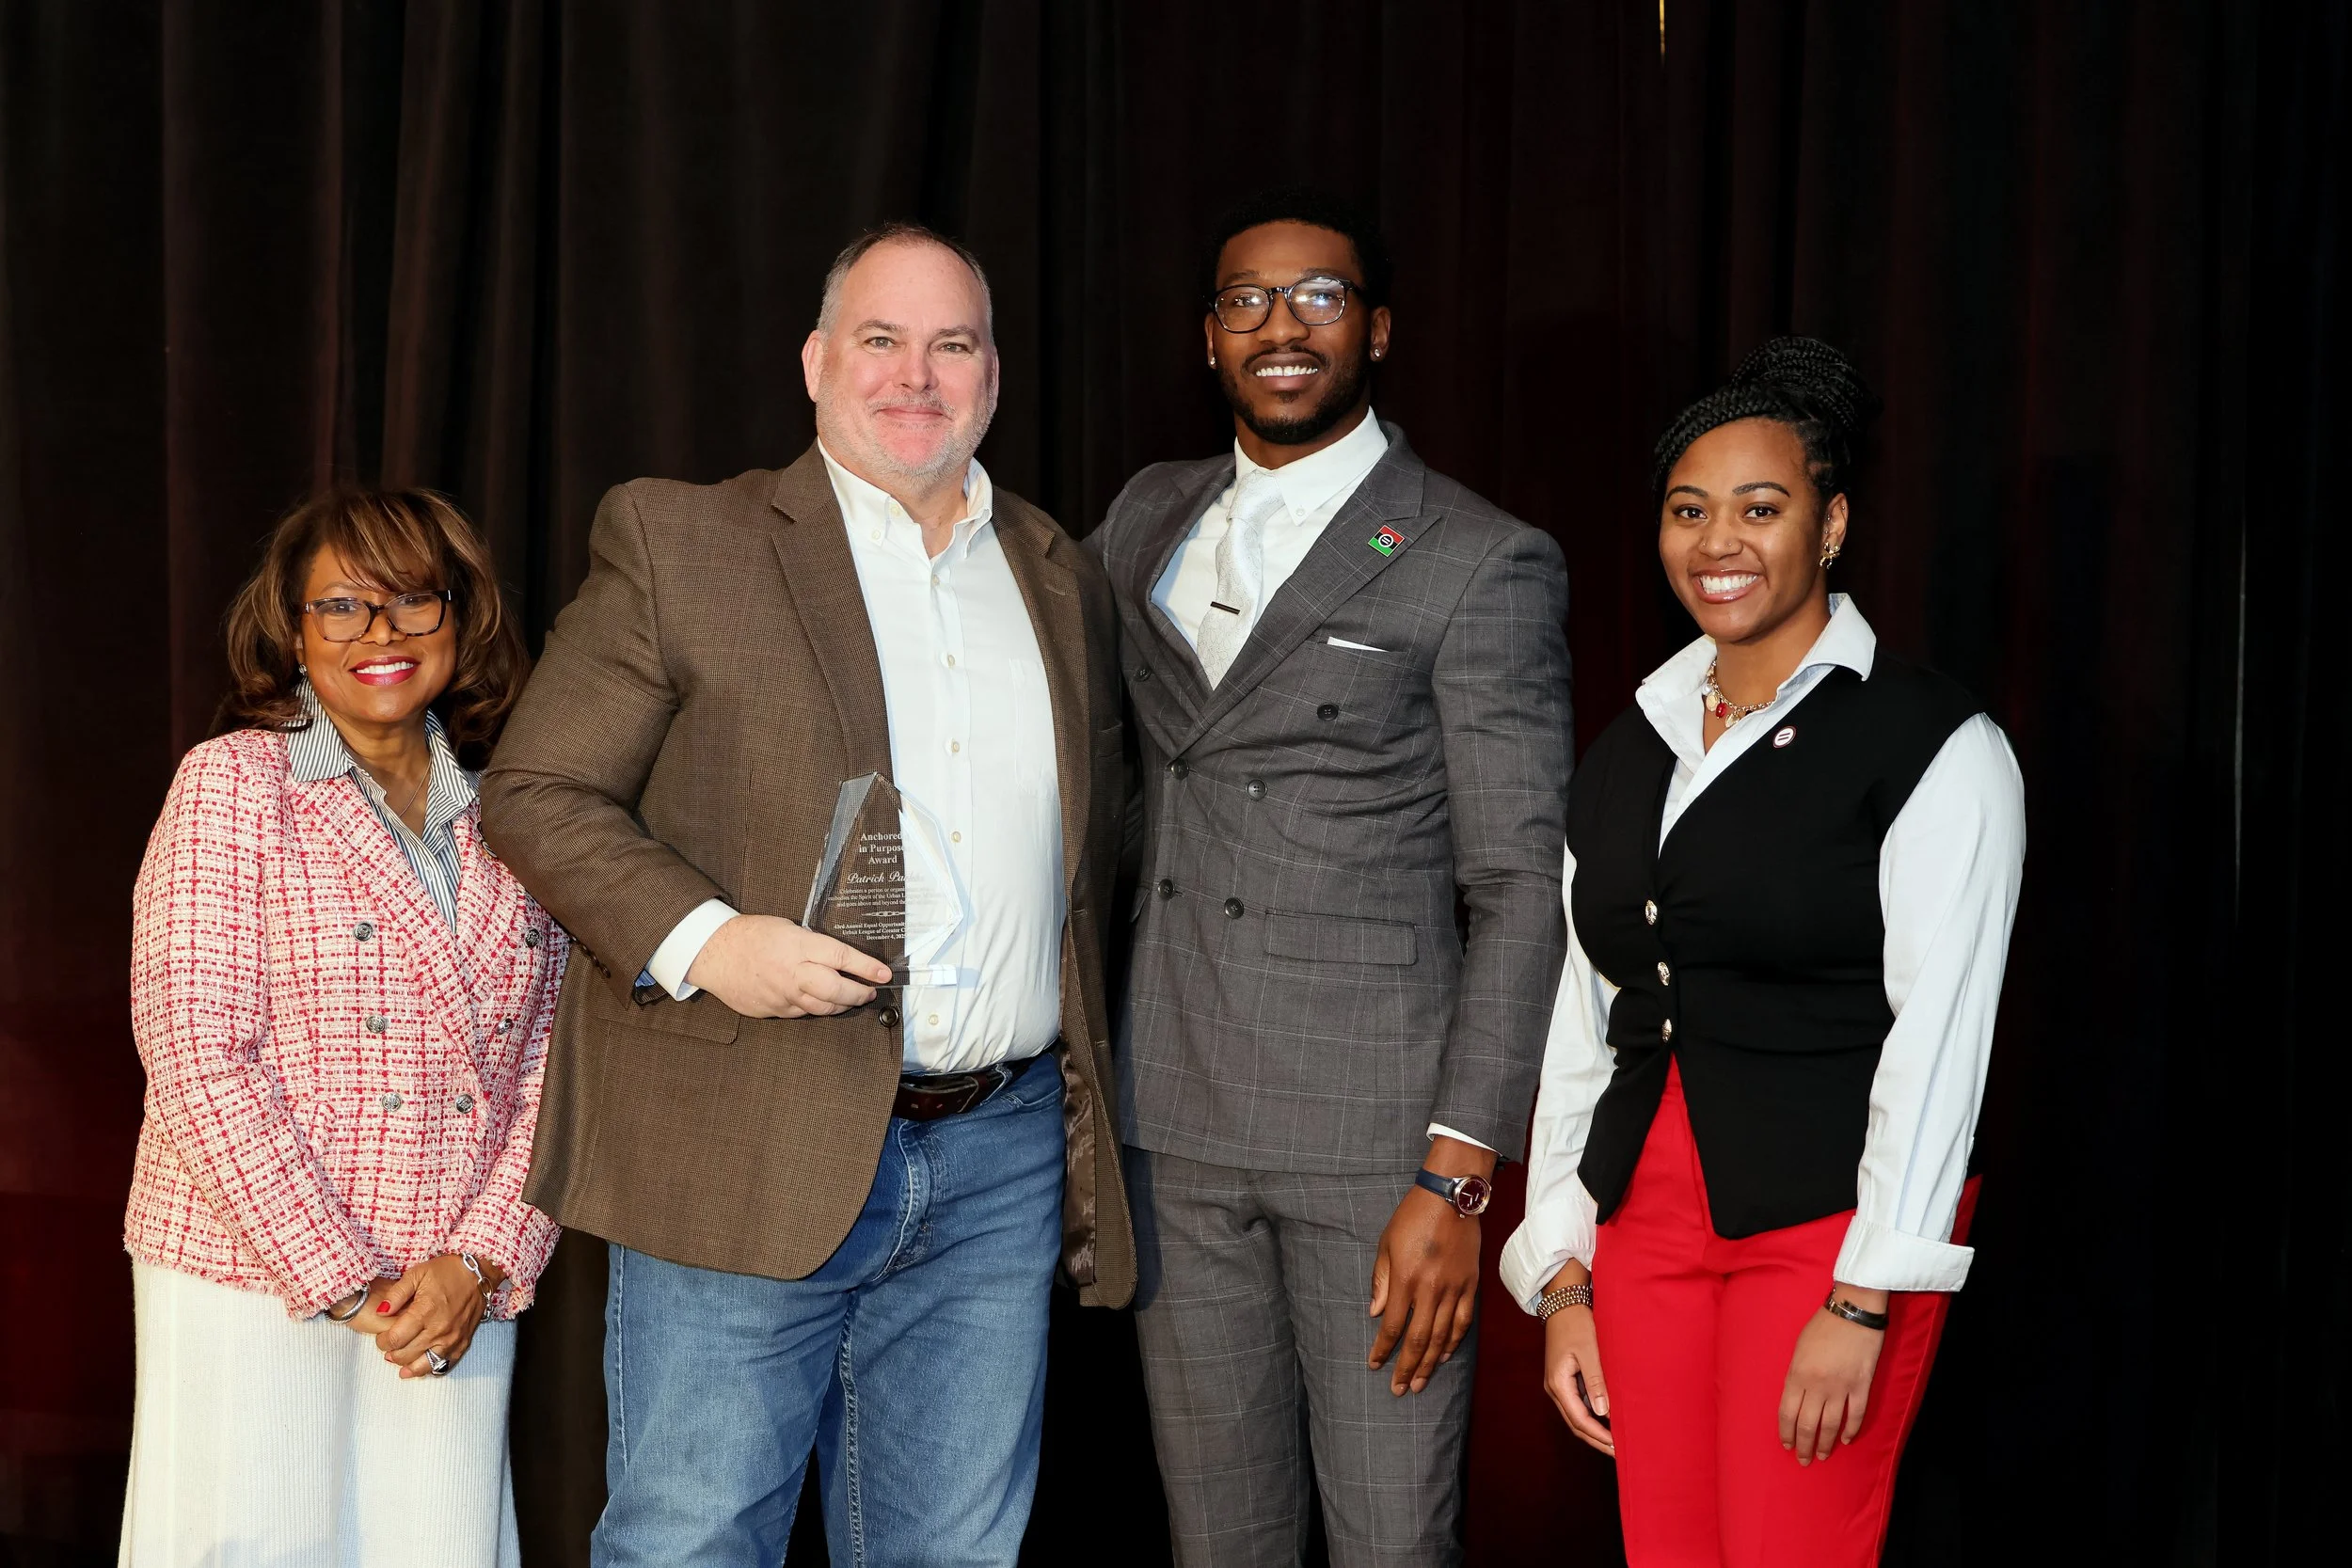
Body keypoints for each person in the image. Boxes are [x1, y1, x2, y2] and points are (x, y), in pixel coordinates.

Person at [478, 222, 1132, 1566]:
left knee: (952, 1552)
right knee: (692, 1538)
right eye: (881, 339)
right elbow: (537, 790)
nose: (916, 375)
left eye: (952, 344)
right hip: (748, 1129)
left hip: (997, 1153)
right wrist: (709, 940)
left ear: (993, 375)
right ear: (817, 361)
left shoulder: (1059, 572)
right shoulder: (685, 539)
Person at [1085, 187, 1574, 1565]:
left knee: (1387, 1538)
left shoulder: (1475, 556)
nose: (1282, 327)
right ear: (1209, 336)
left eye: (1319, 296)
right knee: (1217, 1539)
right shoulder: (1144, 517)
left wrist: (1457, 1177)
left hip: (1374, 1147)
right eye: (1248, 300)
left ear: (1378, 328)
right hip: (1170, 1121)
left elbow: (1519, 884)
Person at [1500, 338, 2027, 1567]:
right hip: (1641, 1231)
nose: (1718, 541)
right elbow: (1588, 1025)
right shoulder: (1628, 746)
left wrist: (1863, 1296)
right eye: (1689, 510)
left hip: (1827, 1232)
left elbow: (1940, 1039)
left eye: (1759, 506)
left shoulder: (1935, 743)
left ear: (1830, 524)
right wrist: (1562, 1274)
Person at [119, 490, 565, 1566]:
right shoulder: (233, 785)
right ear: (293, 629)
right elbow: (195, 1051)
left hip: (451, 1293)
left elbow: (558, 1068)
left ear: (461, 618)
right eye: (342, 605)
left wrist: (483, 1261)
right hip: (246, 1274)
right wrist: (347, 1279)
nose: (380, 632)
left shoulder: (516, 810)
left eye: (414, 600)